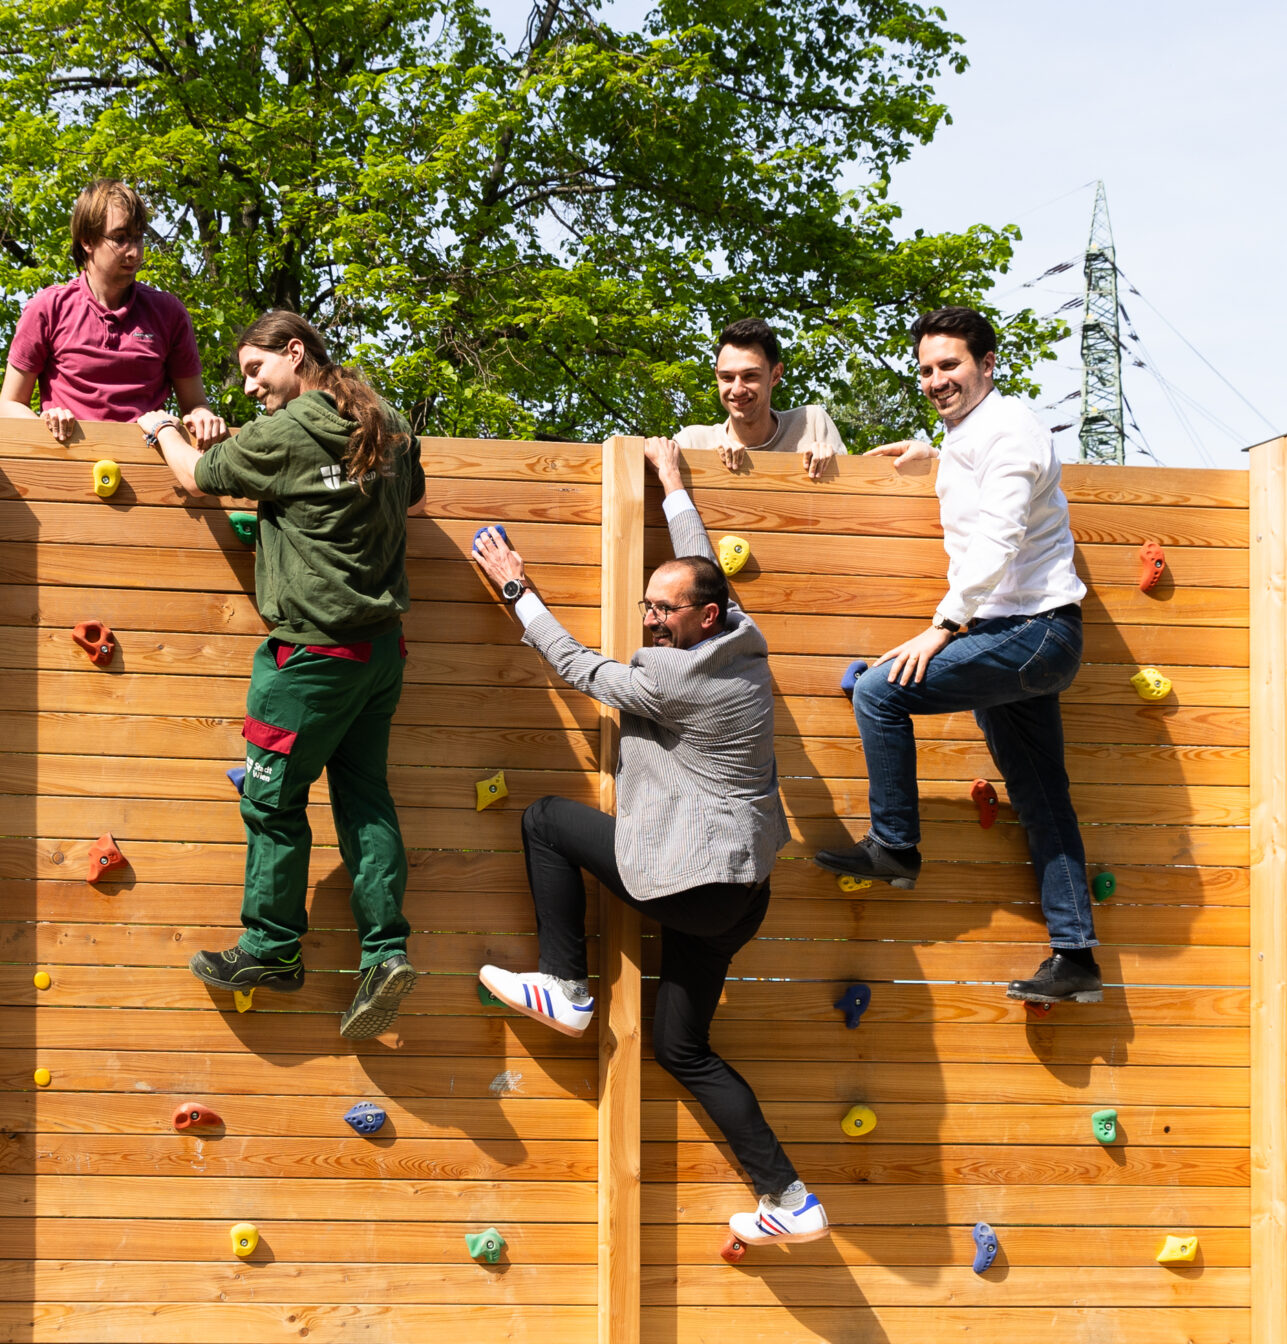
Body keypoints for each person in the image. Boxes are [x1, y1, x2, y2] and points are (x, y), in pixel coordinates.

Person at [467, 442, 829, 1248]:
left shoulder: (673, 676)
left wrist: (516, 588)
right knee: (681, 1044)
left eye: (664, 610)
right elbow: (700, 562)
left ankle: (567, 985)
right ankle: (790, 1198)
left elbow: (575, 664)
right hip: (741, 895)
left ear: (705, 617)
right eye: (647, 604)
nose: (649, 617)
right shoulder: (743, 636)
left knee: (545, 822)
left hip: (696, 886)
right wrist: (672, 484)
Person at [140, 311, 425, 1042]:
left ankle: (270, 947)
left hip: (308, 659)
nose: (248, 384)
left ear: (294, 354)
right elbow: (413, 493)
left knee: (271, 801)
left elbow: (199, 476)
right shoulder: (383, 419)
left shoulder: (290, 429)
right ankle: (384, 952)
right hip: (379, 653)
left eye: (254, 368)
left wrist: (162, 426)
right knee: (365, 798)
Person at [815, 306, 1104, 1007]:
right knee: (1040, 796)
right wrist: (935, 459)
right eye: (926, 369)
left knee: (881, 691)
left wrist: (942, 627)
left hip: (1030, 632)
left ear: (987, 364)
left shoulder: (1011, 430)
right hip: (1026, 636)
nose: (936, 380)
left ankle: (896, 846)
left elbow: (1000, 536)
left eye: (950, 366)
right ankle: (1076, 957)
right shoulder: (979, 434)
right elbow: (991, 487)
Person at [0, 180, 228, 450]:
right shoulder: (49, 307)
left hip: (150, 470)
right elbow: (9, 405)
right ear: (87, 241)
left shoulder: (169, 313)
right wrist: (45, 423)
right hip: (66, 469)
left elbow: (195, 404)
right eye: (119, 239)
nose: (134, 252)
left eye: (138, 237)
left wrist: (202, 417)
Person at [675, 318, 846, 480]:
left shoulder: (812, 424)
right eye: (727, 377)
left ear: (776, 375)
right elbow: (652, 455)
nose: (737, 389)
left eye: (750, 376)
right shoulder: (692, 441)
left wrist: (832, 465)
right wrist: (708, 462)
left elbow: (854, 493)